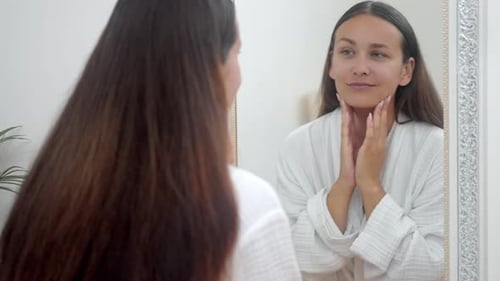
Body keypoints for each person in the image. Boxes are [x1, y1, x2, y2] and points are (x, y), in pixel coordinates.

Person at [0, 0, 301, 280]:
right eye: (237, 52)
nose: (240, 73)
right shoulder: (244, 205)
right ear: (211, 70)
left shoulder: (46, 192)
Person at [275, 1, 444, 280]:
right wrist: (344, 184)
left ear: (406, 70)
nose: (360, 67)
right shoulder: (299, 145)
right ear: (331, 64)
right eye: (347, 52)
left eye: (377, 54)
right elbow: (294, 259)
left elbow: (427, 268)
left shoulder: (436, 149)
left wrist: (370, 185)